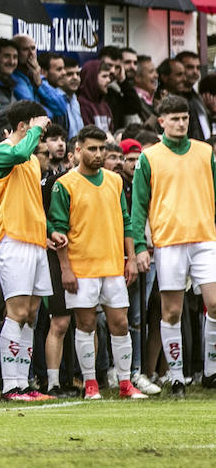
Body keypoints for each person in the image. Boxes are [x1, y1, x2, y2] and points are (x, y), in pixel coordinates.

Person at [46, 125, 147, 400]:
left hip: (113, 265)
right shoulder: (64, 184)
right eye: (92, 148)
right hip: (82, 267)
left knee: (121, 324)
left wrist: (130, 259)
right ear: (78, 150)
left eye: (102, 148)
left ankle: (126, 383)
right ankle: (90, 384)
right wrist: (65, 268)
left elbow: (125, 221)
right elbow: (58, 229)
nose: (99, 154)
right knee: (86, 325)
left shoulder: (114, 181)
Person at [128, 95, 216, 397]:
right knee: (172, 311)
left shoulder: (206, 152)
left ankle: (211, 369)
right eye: (174, 118)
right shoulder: (149, 157)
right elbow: (138, 206)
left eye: (185, 118)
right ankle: (176, 377)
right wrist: (140, 245)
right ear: (161, 121)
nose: (181, 123)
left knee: (215, 303)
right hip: (169, 241)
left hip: (206, 237)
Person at [0, 100, 54, 401]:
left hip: (36, 241)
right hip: (12, 239)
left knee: (32, 314)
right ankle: (10, 386)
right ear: (24, 125)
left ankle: (24, 384)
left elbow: (32, 202)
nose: (43, 133)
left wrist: (51, 233)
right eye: (38, 125)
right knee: (16, 312)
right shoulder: (2, 151)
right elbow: (20, 151)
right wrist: (35, 132)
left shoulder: (31, 161)